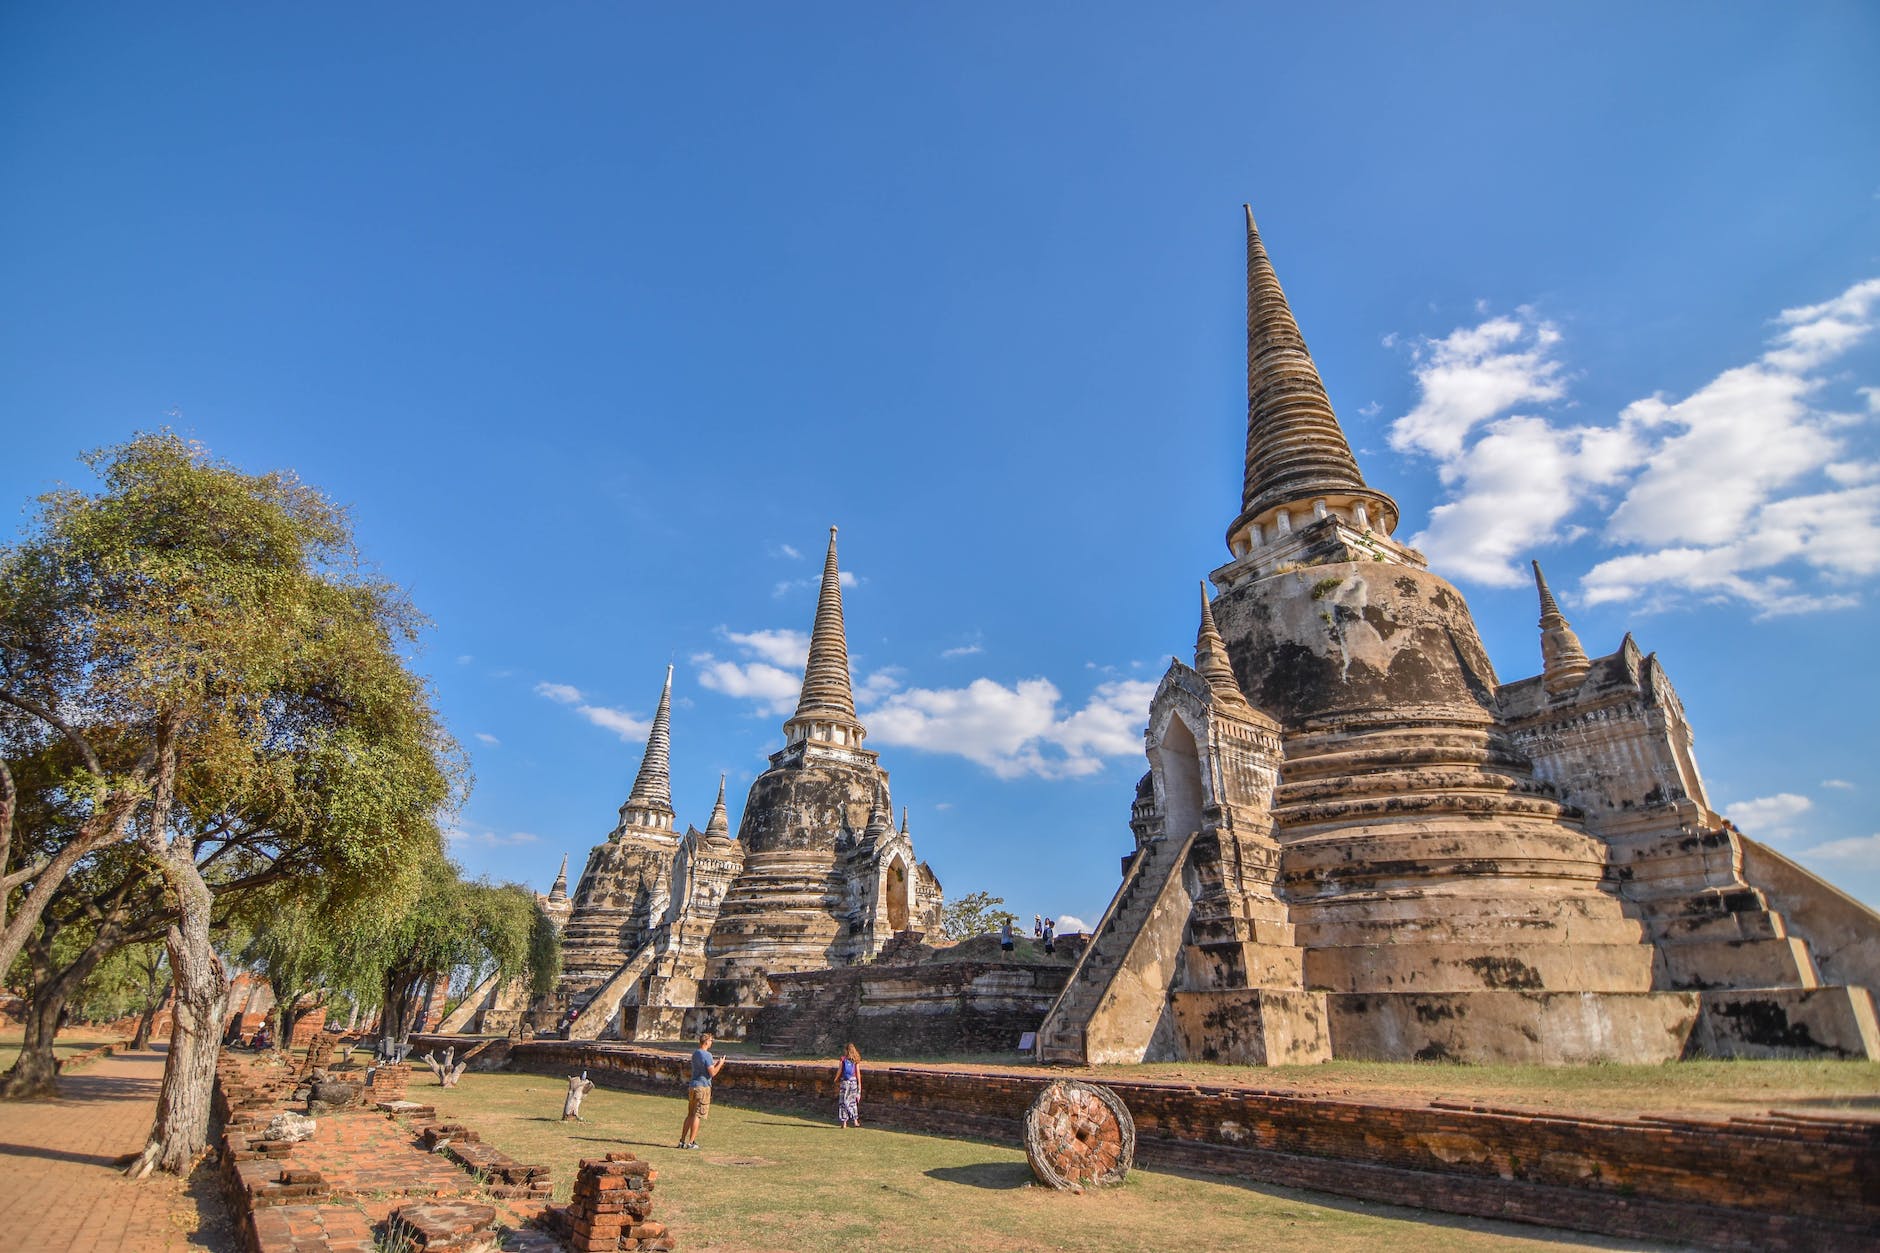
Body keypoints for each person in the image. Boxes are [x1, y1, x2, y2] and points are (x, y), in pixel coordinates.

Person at [678, 1031, 724, 1150]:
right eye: (711, 1041)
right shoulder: (706, 1055)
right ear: (707, 1041)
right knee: (697, 1115)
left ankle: (682, 1140)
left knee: (690, 1114)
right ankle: (691, 1142)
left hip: (693, 1085)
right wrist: (720, 1064)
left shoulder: (695, 1053)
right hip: (702, 1087)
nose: (711, 1043)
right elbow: (712, 1073)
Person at [834, 1042, 863, 1128]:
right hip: (853, 1082)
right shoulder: (855, 1060)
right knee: (852, 1101)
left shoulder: (843, 1059)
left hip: (845, 1082)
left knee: (843, 1101)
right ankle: (855, 1121)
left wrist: (835, 1079)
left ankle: (844, 1122)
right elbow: (858, 1073)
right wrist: (859, 1085)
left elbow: (839, 1070)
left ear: (846, 1050)